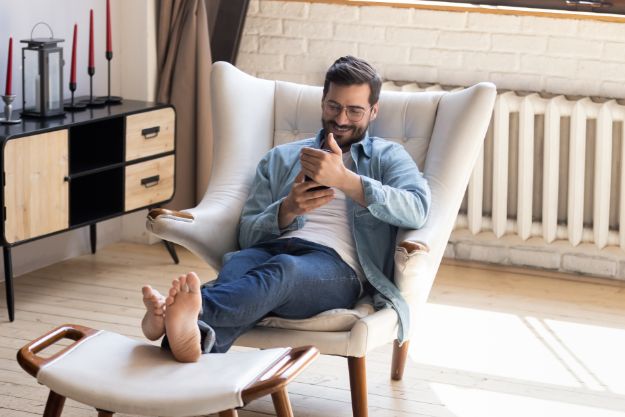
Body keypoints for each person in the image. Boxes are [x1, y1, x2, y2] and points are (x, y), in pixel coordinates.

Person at [141, 56, 431, 362]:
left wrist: (346, 180)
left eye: (355, 110)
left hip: (337, 268)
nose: (342, 119)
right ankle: (188, 340)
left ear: (374, 111)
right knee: (238, 266)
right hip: (269, 250)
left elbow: (417, 208)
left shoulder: (388, 157)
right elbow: (248, 234)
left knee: (283, 271)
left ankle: (185, 310)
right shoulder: (280, 158)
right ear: (322, 102)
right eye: (333, 106)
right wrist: (287, 209)